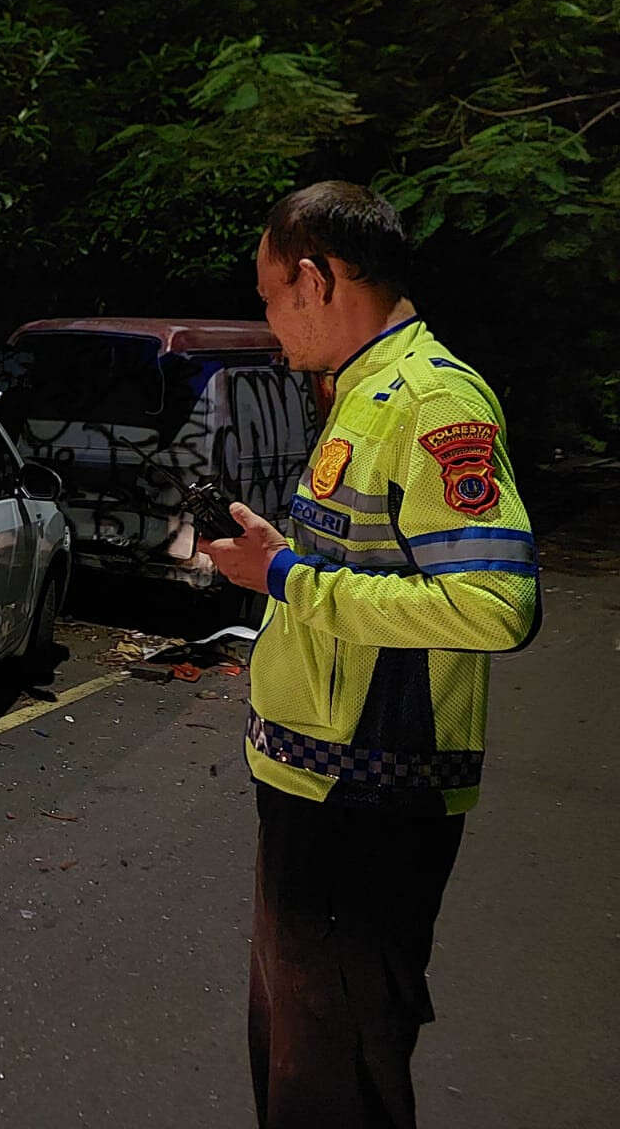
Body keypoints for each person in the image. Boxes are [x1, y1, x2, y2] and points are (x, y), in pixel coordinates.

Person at [198, 181, 540, 1128]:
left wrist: (286, 581)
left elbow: (496, 603)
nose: (268, 321)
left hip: (369, 799)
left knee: (338, 1072)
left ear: (314, 279)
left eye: (270, 296)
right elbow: (368, 563)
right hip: (317, 784)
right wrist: (282, 557)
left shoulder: (432, 400)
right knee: (303, 1052)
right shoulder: (364, 394)